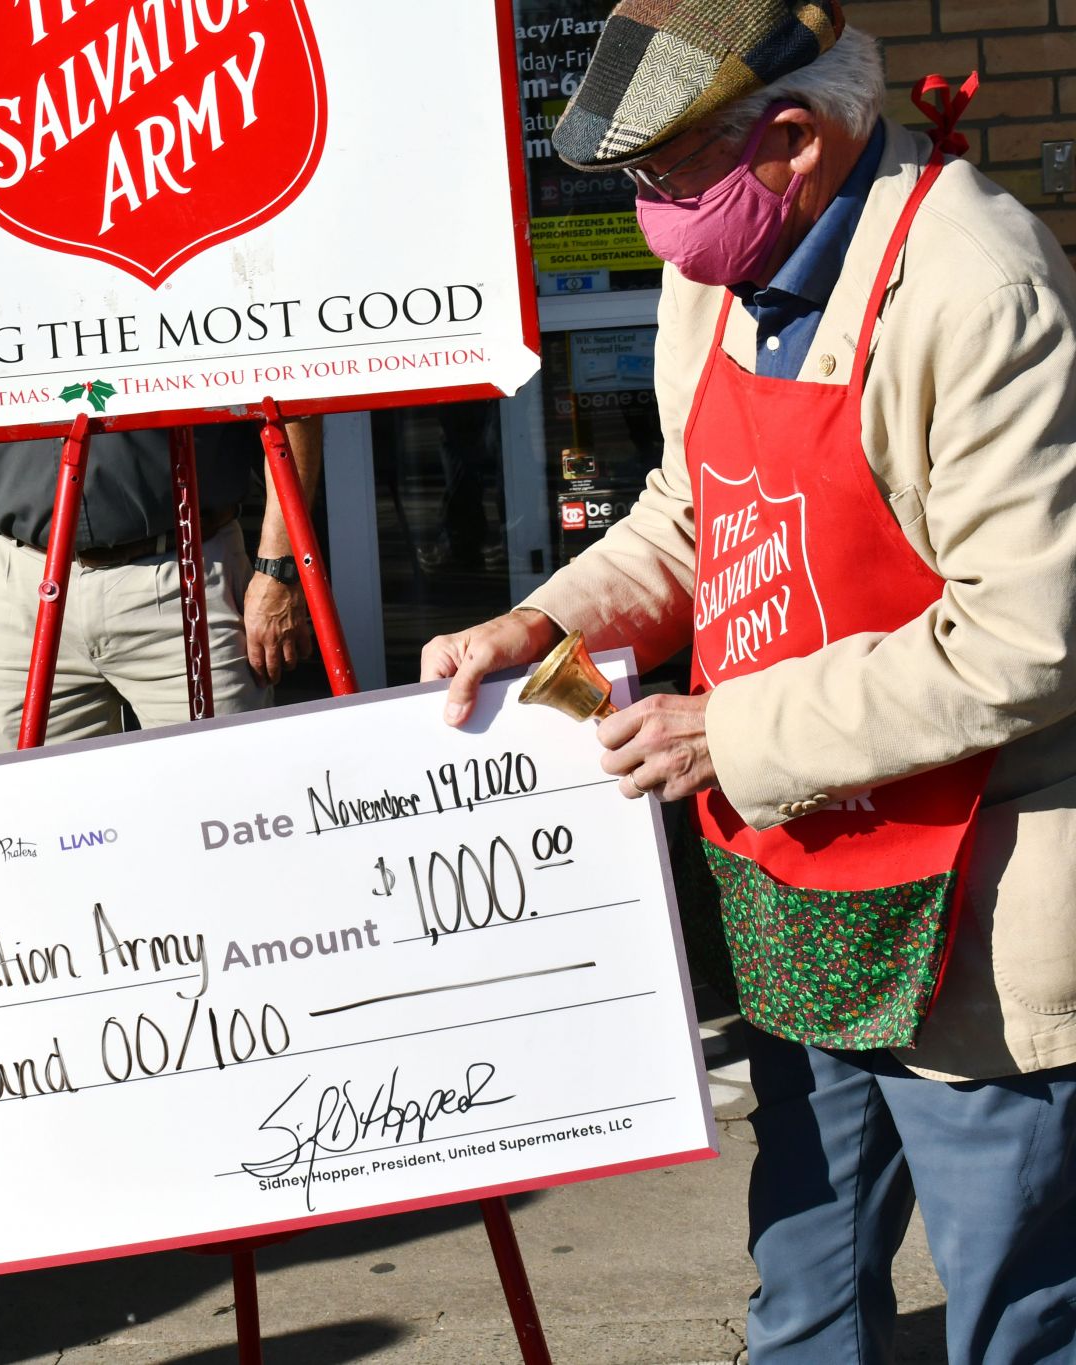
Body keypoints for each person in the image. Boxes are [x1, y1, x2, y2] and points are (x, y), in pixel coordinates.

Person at [423, 4, 1076, 1361]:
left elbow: (1026, 635)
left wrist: (730, 730)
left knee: (1015, 1312)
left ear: (790, 139)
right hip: (796, 881)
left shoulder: (979, 285)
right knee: (804, 1284)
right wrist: (539, 620)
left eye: (665, 173)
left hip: (970, 889)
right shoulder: (724, 266)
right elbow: (692, 512)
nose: (652, 217)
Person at [0, 420, 322, 750]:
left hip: (184, 569)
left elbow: (287, 402)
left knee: (222, 792)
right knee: (44, 803)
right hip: (19, 579)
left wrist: (279, 568)